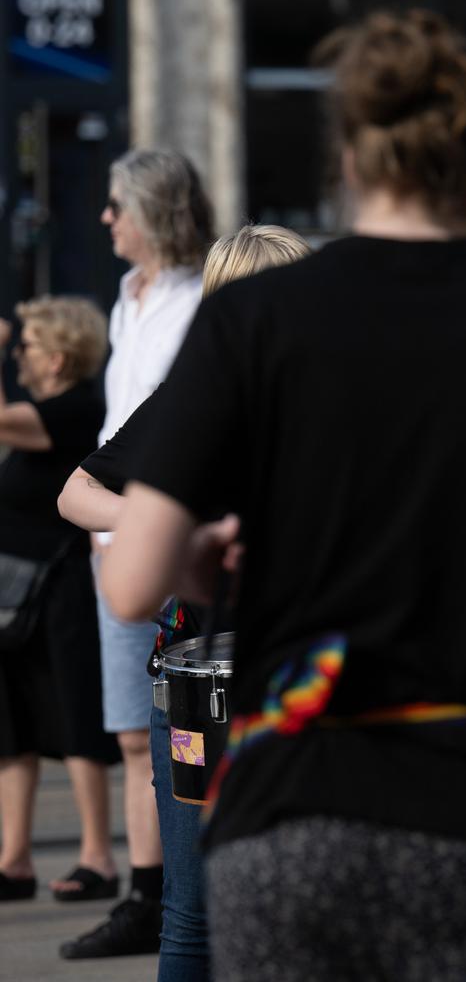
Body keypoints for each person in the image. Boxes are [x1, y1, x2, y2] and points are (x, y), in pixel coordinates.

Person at [96, 8, 466, 982]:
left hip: (292, 814)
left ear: (347, 158)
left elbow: (130, 584)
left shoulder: (252, 314)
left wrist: (203, 555)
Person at [58, 225, 311, 982]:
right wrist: (172, 528)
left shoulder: (346, 402)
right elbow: (78, 492)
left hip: (313, 682)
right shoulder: (193, 402)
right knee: (194, 912)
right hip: (202, 682)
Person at [70, 147, 213, 957]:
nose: (105, 220)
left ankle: (162, 892)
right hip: (115, 537)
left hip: (168, 548)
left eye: (117, 205)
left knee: (169, 731)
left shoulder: (200, 303)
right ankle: (149, 890)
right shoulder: (129, 296)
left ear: (153, 211)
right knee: (134, 732)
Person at [0, 299, 118, 905]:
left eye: (26, 346)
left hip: (63, 586)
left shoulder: (75, 409)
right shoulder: (39, 413)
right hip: (17, 597)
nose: (18, 354)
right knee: (12, 723)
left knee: (76, 717)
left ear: (57, 356)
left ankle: (98, 853)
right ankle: (12, 857)